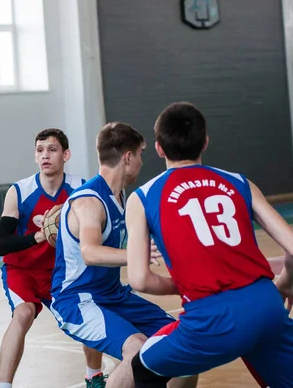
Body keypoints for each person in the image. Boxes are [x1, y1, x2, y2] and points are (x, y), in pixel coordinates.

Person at [125, 102, 293, 388]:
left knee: (142, 367)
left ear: (158, 148)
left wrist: (185, 284)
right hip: (266, 306)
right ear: (205, 142)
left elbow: (139, 280)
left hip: (210, 320)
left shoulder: (141, 198)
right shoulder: (240, 182)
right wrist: (286, 283)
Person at [49, 122, 197, 388]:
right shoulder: (90, 201)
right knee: (137, 350)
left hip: (112, 296)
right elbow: (90, 253)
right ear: (127, 157)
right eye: (140, 154)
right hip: (77, 301)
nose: (142, 161)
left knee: (181, 344)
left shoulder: (121, 197)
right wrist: (135, 254)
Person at [0, 128, 106, 388]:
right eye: (40, 150)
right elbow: (0, 244)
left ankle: (93, 375)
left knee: (87, 314)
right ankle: (2, 386)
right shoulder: (19, 191)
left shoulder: (81, 189)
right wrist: (37, 237)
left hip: (62, 272)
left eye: (52, 149)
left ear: (65, 155)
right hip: (23, 271)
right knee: (22, 314)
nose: (45, 155)